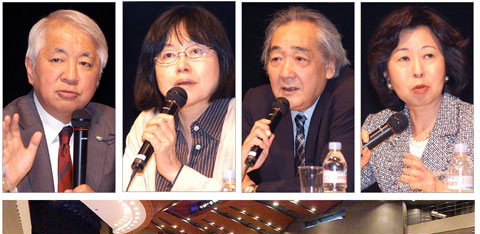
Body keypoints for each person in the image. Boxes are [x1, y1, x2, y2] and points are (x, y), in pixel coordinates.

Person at [242, 6, 354, 192]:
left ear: (330, 66)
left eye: (300, 59)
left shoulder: (349, 95)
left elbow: (333, 182)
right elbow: (229, 174)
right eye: (276, 59)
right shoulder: (257, 102)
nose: (285, 73)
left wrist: (253, 190)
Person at [361, 6, 473, 192]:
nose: (418, 70)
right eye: (404, 58)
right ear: (386, 75)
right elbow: (338, 187)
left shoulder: (472, 123)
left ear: (447, 65)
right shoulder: (379, 127)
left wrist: (442, 191)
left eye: (428, 55)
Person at [123, 5, 235, 191]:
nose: (182, 65)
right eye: (168, 54)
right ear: (152, 70)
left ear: (222, 60)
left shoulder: (242, 119)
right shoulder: (148, 122)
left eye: (196, 51)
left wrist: (174, 170)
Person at [3, 9, 115, 193]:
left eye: (84, 63)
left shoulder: (117, 128)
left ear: (99, 77)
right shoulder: (5, 130)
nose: (71, 77)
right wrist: (5, 186)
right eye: (57, 59)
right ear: (31, 68)